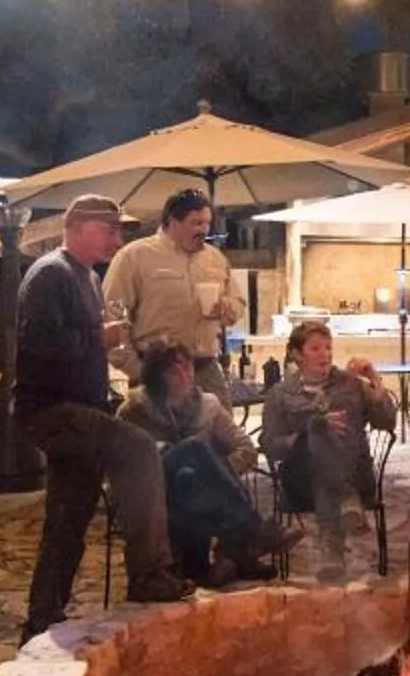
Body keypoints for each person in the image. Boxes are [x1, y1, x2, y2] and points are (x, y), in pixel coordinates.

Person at [17, 195, 188, 634]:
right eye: (108, 229)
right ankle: (148, 574)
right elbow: (41, 347)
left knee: (70, 512)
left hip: (78, 408)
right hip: (54, 410)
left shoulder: (85, 276)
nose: (117, 238)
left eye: (120, 231)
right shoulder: (51, 275)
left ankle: (42, 616)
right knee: (138, 448)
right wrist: (100, 337)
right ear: (75, 226)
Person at [119, 341, 279, 585]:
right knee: (193, 449)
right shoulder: (135, 409)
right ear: (157, 376)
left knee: (192, 477)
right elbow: (121, 463)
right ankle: (247, 537)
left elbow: (246, 449)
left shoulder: (208, 406)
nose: (185, 377)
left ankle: (200, 569)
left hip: (192, 492)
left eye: (188, 368)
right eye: (175, 371)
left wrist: (216, 472)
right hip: (154, 488)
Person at [261, 319, 398, 579]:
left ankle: (331, 550)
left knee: (325, 474)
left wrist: (374, 381)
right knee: (318, 429)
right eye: (315, 349)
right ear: (297, 354)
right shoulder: (280, 394)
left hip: (356, 478)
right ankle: (343, 497)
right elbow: (270, 446)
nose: (325, 354)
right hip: (300, 482)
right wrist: (305, 434)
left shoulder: (350, 384)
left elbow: (387, 422)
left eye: (328, 348)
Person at [101, 186, 241, 395]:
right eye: (196, 223)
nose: (204, 230)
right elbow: (112, 315)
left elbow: (238, 302)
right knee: (156, 428)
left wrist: (226, 308)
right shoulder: (134, 257)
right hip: (156, 369)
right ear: (173, 222)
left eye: (207, 223)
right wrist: (137, 371)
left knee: (221, 426)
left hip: (205, 368)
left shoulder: (215, 258)